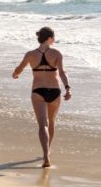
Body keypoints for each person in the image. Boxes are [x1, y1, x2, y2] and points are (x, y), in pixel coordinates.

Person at [12, 26, 71, 167]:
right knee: (51, 121)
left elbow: (18, 70)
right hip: (55, 91)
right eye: (53, 38)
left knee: (42, 124)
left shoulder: (30, 54)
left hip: (38, 91)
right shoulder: (56, 53)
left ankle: (45, 157)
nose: (55, 40)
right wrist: (68, 88)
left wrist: (16, 74)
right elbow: (62, 72)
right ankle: (48, 152)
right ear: (49, 38)